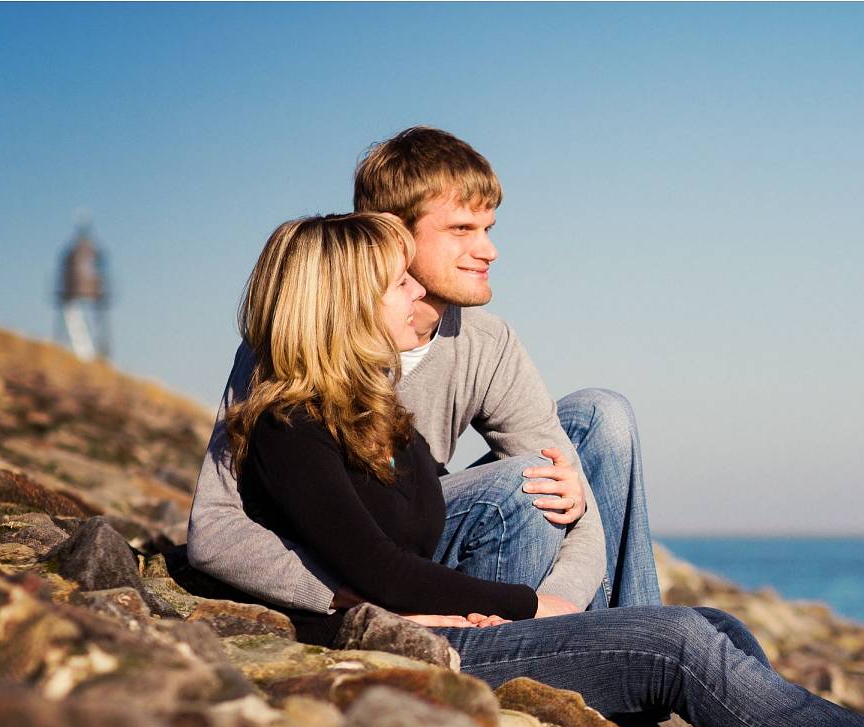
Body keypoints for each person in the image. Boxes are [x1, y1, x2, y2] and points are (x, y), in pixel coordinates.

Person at [216, 211, 864, 727]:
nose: (420, 297)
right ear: (338, 301)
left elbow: (426, 542)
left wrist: (497, 592)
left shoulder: (381, 415)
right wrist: (531, 608)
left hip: (448, 622)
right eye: (398, 283)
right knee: (676, 644)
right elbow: (381, 571)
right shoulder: (290, 423)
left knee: (715, 624)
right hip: (412, 646)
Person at [188, 126, 656, 619]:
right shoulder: (299, 337)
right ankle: (512, 656)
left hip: (420, 524)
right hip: (349, 552)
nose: (489, 251)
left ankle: (631, 637)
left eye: (488, 229)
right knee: (521, 488)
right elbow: (216, 528)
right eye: (460, 230)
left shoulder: (487, 343)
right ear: (392, 232)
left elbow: (573, 503)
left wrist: (560, 607)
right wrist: (344, 593)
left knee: (604, 416)